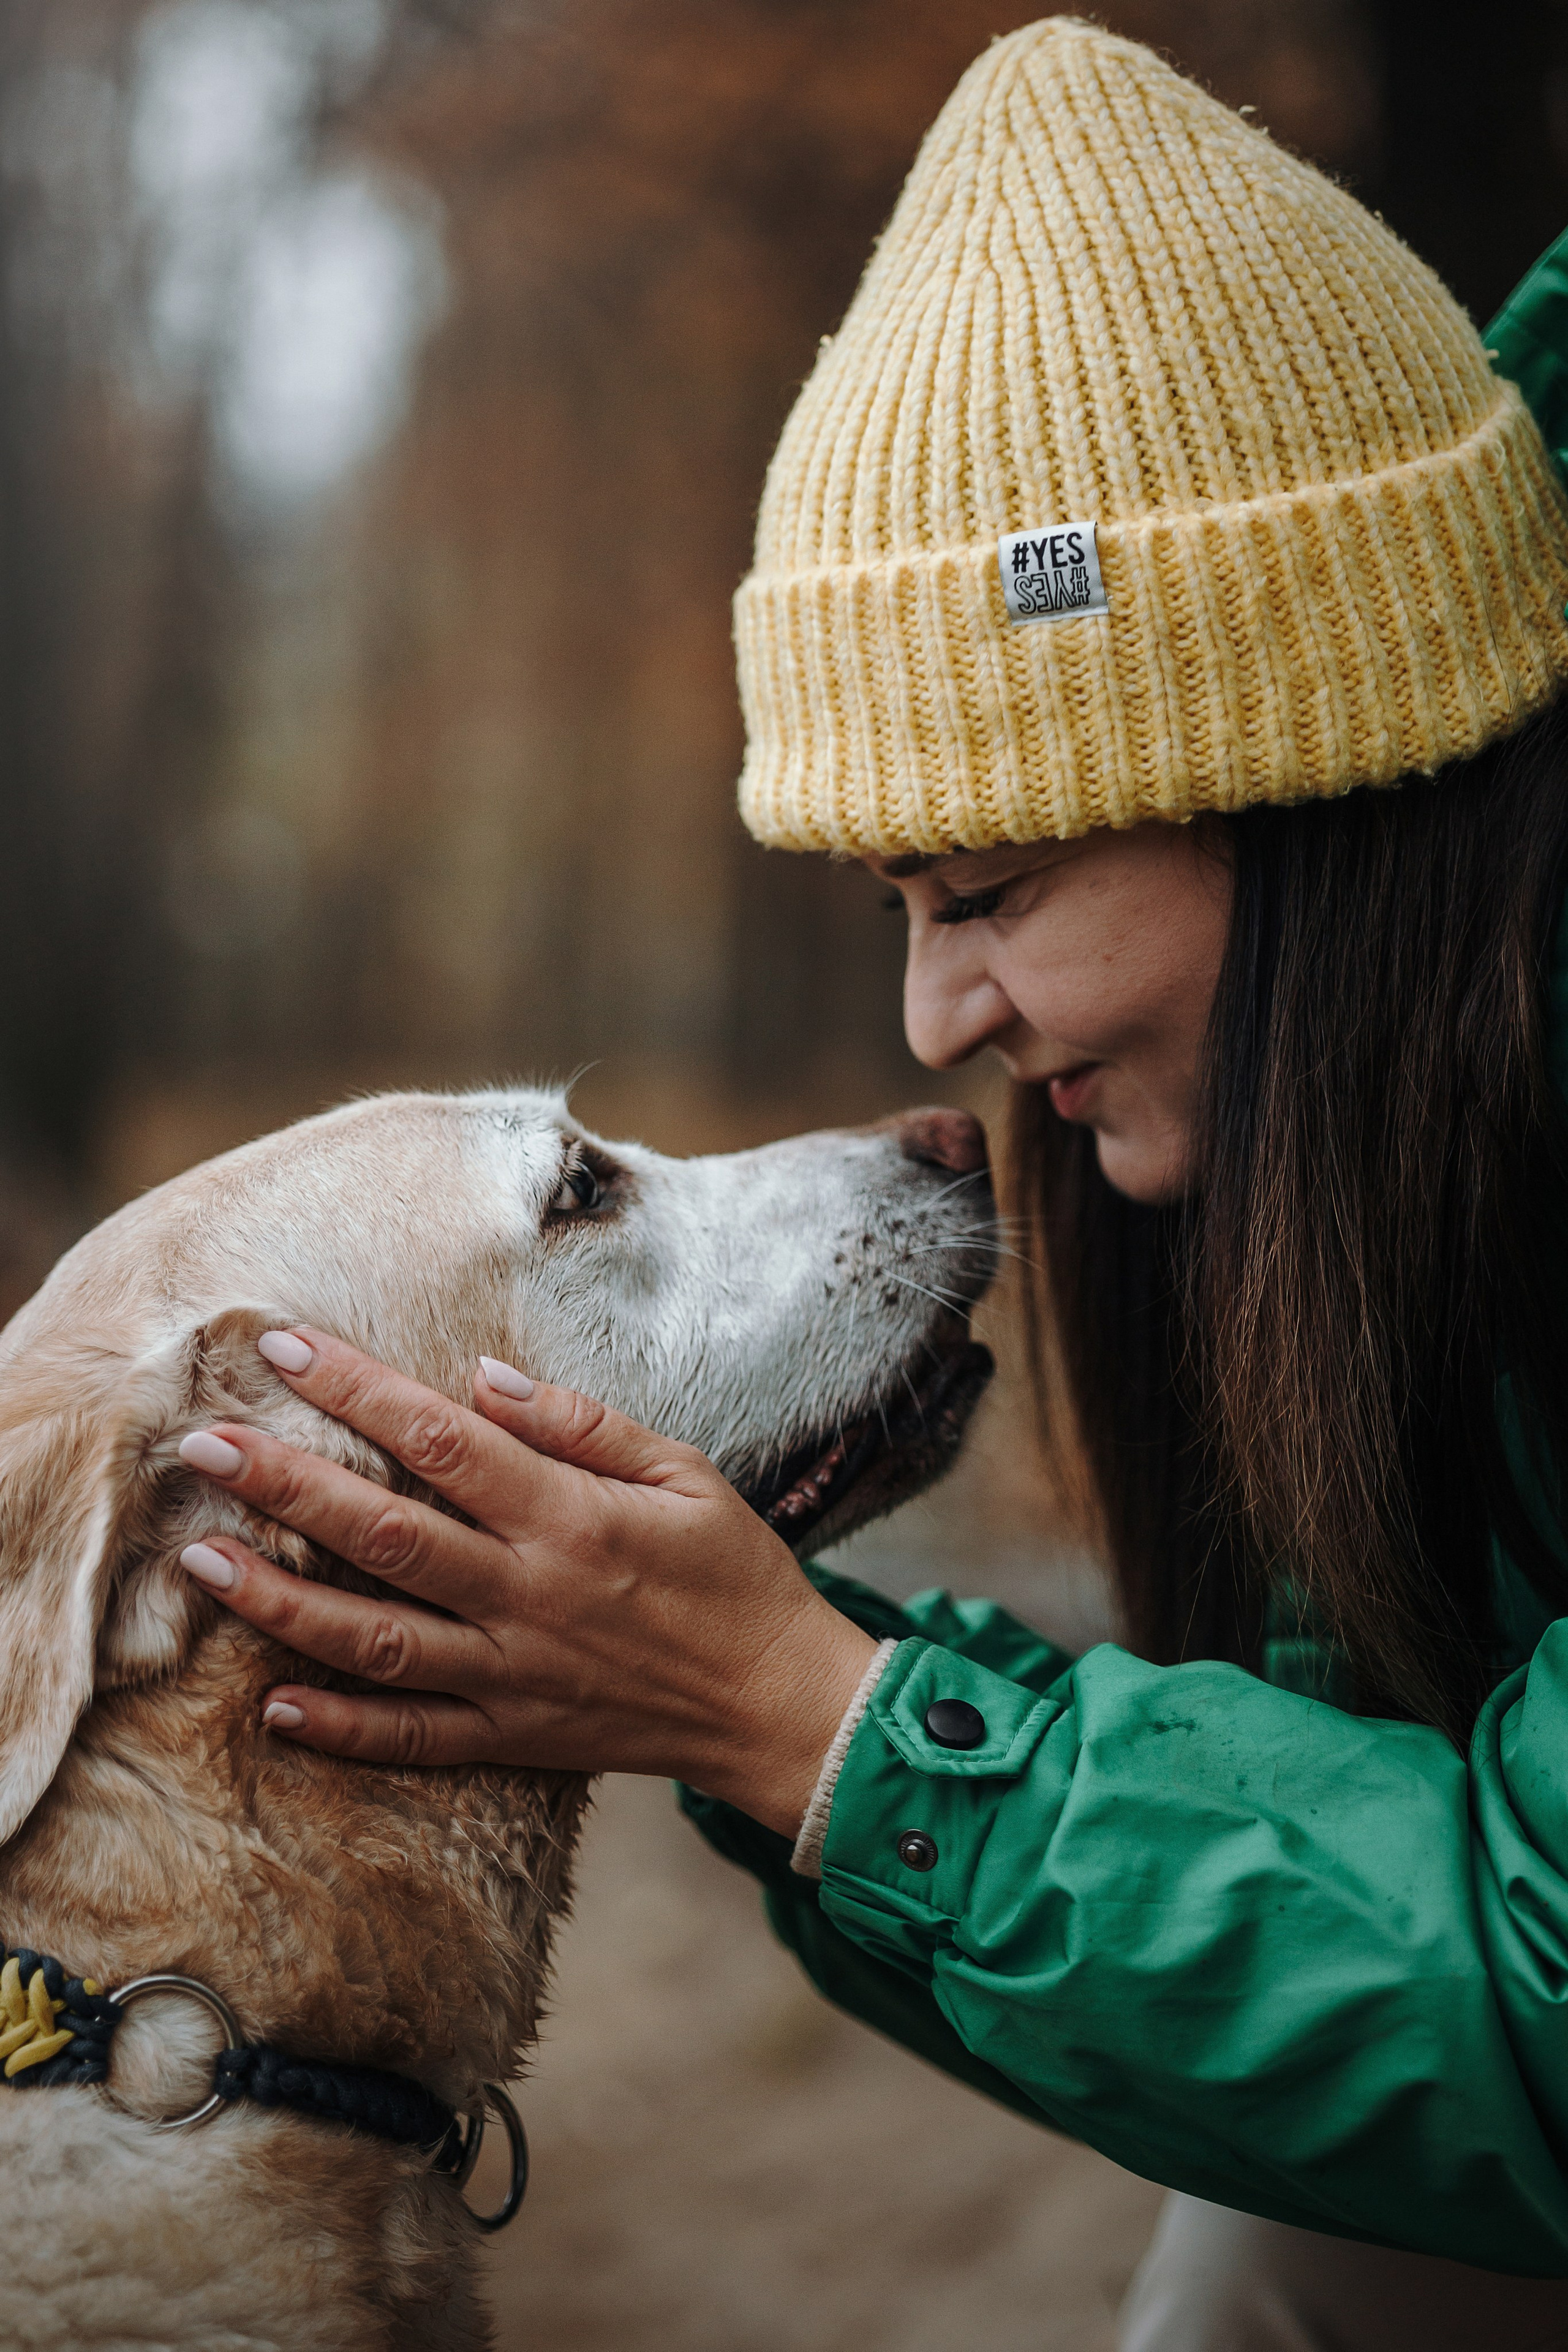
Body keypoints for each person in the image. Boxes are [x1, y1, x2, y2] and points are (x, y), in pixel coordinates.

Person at [169, 22, 1568, 2347]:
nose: (938, 1028)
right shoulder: (1382, 1168)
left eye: (990, 887)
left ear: (1322, 790)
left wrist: (804, 1720)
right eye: (903, 912)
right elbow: (1367, 1830)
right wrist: (752, 1676)